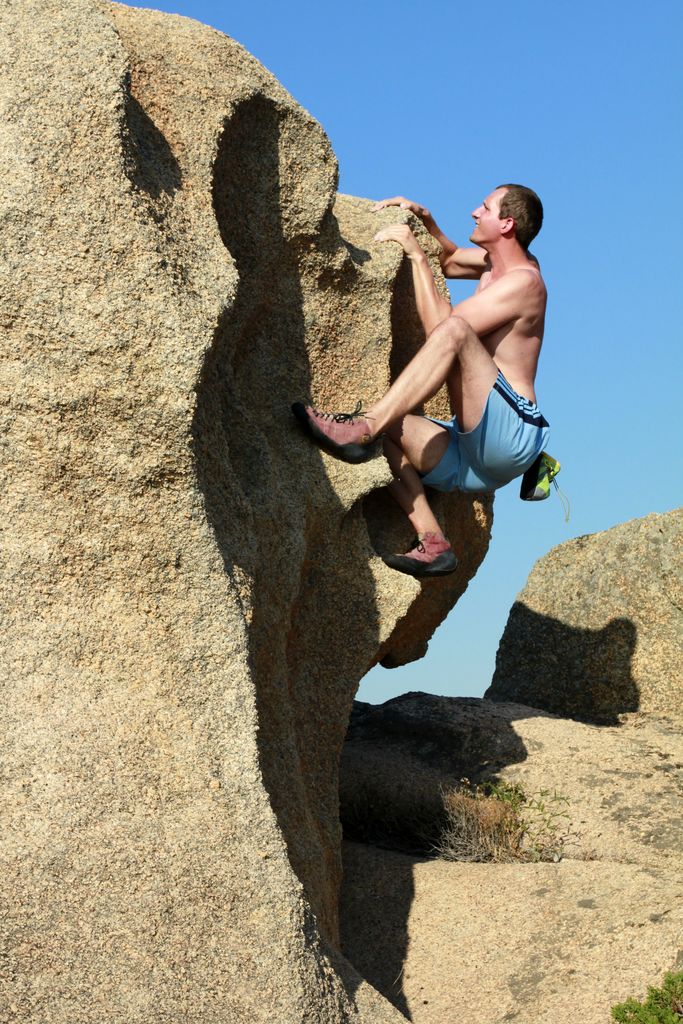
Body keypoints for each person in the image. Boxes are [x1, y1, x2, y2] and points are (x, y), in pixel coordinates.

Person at [292, 184, 550, 578]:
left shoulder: (524, 282)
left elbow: (442, 330)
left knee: (456, 331)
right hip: (470, 457)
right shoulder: (491, 263)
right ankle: (433, 540)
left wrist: (415, 255)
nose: (474, 212)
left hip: (510, 434)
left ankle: (365, 427)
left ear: (507, 223)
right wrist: (425, 221)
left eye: (485, 207)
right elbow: (448, 261)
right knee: (392, 428)